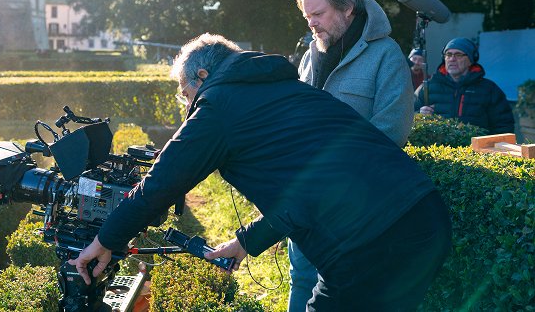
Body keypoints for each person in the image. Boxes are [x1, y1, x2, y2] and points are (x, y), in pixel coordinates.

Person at [69, 33, 451, 311]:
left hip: (369, 241)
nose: (187, 104)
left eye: (185, 93)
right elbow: (307, 191)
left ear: (201, 76)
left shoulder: (218, 103)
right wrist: (246, 242)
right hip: (424, 217)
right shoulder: (283, 88)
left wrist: (103, 242)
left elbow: (159, 185)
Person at [289, 0, 415, 311]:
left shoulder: (387, 55)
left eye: (318, 14)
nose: (311, 23)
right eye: (306, 15)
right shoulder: (308, 56)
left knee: (344, 293)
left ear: (347, 8)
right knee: (300, 278)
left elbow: (391, 133)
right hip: (303, 200)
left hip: (351, 207)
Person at [415, 37, 514, 135]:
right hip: (439, 149)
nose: (452, 59)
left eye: (458, 55)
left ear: (471, 60)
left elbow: (504, 126)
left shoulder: (489, 89)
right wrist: (419, 115)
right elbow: (407, 119)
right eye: (448, 54)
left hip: (475, 150)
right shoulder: (428, 87)